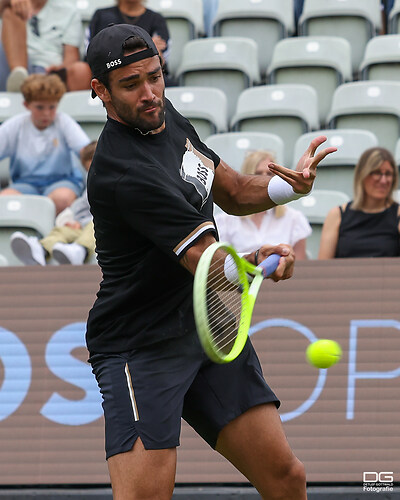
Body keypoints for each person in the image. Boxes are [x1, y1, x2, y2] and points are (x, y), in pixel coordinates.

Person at [85, 24, 336, 500]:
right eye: (131, 85)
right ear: (100, 91)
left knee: (286, 479)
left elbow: (235, 191)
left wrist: (290, 186)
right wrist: (258, 259)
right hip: (141, 346)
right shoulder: (121, 172)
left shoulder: (165, 116)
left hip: (207, 328)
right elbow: (207, 262)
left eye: (155, 76)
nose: (149, 93)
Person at [0, 73, 90, 215]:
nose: (47, 113)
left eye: (52, 107)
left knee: (63, 199)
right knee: (5, 200)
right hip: (24, 184)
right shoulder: (14, 125)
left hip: (63, 181)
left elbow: (86, 153)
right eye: (40, 107)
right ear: (26, 105)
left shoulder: (64, 122)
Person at [9, 141, 97, 266]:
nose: (95, 174)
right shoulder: (91, 186)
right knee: (62, 231)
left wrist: (83, 222)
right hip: (84, 228)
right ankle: (41, 250)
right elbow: (80, 208)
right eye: (90, 171)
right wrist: (74, 221)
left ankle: (81, 250)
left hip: (105, 230)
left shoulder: (120, 182)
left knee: (96, 225)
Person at [215, 150, 312, 260]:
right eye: (258, 173)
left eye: (270, 174)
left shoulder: (294, 219)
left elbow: (299, 266)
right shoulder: (225, 221)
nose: (265, 178)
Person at [69, 0, 174, 91]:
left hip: (142, 73)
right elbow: (92, 53)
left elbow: (159, 59)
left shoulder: (156, 19)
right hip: (105, 71)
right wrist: (145, 45)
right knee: (80, 70)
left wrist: (114, 48)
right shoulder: (101, 15)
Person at [318, 147, 400, 259]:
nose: (383, 180)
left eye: (388, 174)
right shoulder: (337, 215)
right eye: (376, 173)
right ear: (362, 175)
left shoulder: (398, 214)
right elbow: (323, 268)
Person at [0, 0, 88, 92]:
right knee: (10, 12)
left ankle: (23, 81)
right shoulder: (8, 5)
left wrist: (60, 68)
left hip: (49, 72)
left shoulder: (69, 11)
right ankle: (19, 75)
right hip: (10, 67)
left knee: (81, 70)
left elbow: (71, 58)